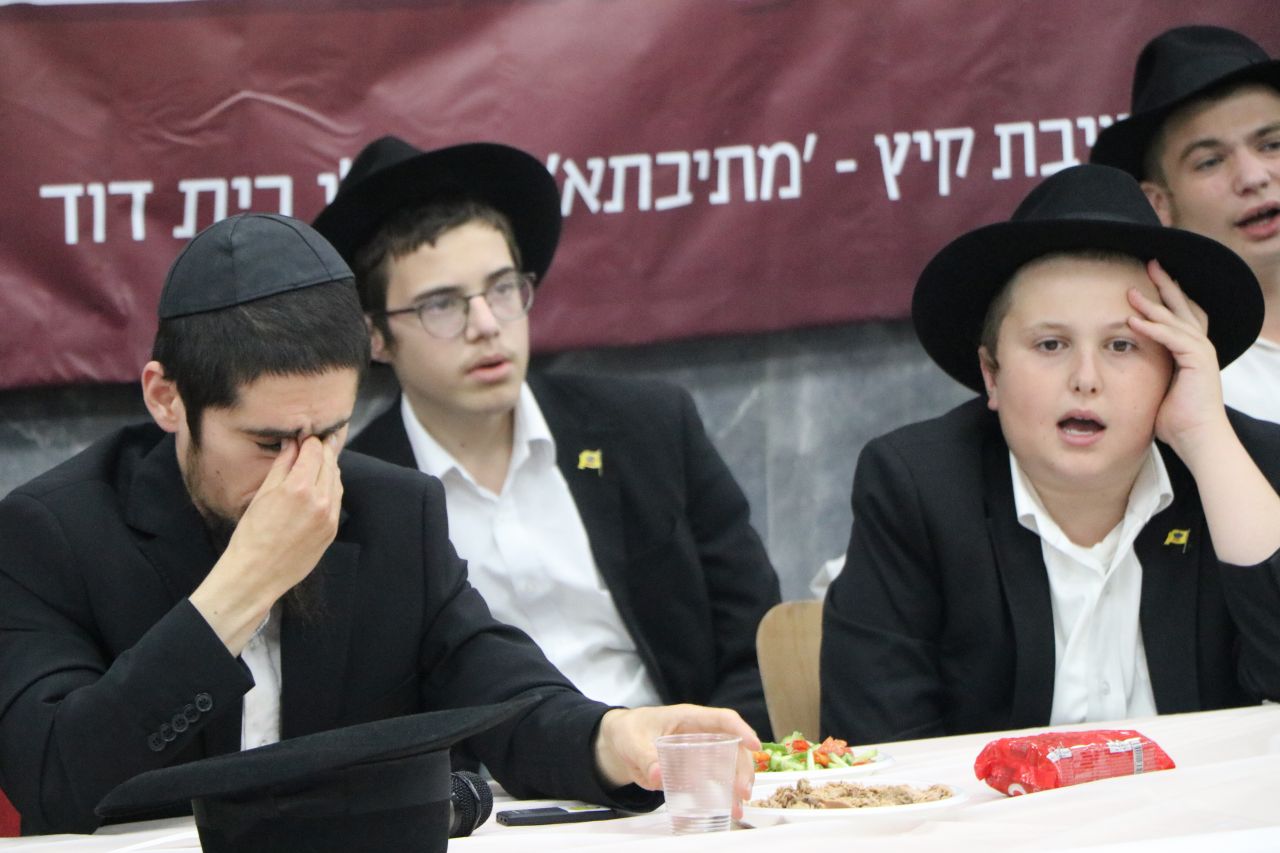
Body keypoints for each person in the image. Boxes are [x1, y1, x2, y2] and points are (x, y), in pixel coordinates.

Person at [0, 213, 758, 835]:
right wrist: (243, 584)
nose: (305, 480)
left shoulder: (391, 509)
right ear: (167, 399)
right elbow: (55, 780)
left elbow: (500, 691)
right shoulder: (50, 534)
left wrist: (613, 736)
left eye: (329, 433)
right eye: (268, 443)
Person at [311, 137, 781, 736]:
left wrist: (701, 758)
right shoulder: (356, 501)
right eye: (442, 306)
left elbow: (755, 642)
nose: (487, 326)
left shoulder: (646, 429)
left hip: (683, 764)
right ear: (375, 336)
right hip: (487, 789)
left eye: (502, 289)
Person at [820, 164, 1280, 745]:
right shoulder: (918, 486)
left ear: (1175, 365)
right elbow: (879, 741)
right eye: (1051, 344)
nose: (1086, 378)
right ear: (992, 374)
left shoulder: (1243, 469)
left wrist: (1205, 436)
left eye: (1122, 345)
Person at [1090, 25, 1280, 423]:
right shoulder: (1158, 374)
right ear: (1157, 203)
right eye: (1210, 161)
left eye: (1272, 145)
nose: (1253, 177)